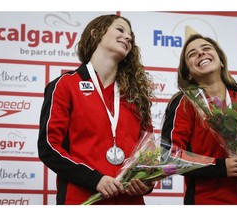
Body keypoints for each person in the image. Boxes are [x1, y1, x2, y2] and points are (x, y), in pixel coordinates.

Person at [37, 14, 155, 205]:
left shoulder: (135, 96)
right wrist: (93, 179)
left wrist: (146, 181)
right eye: (120, 29)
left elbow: (148, 152)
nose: (128, 37)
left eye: (130, 36)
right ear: (96, 33)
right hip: (82, 200)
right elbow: (49, 148)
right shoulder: (66, 85)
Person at [161, 34, 237, 204]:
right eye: (192, 54)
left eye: (206, 48)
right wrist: (220, 167)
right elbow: (169, 156)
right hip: (207, 201)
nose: (201, 54)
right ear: (188, 73)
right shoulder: (184, 103)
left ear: (221, 60)